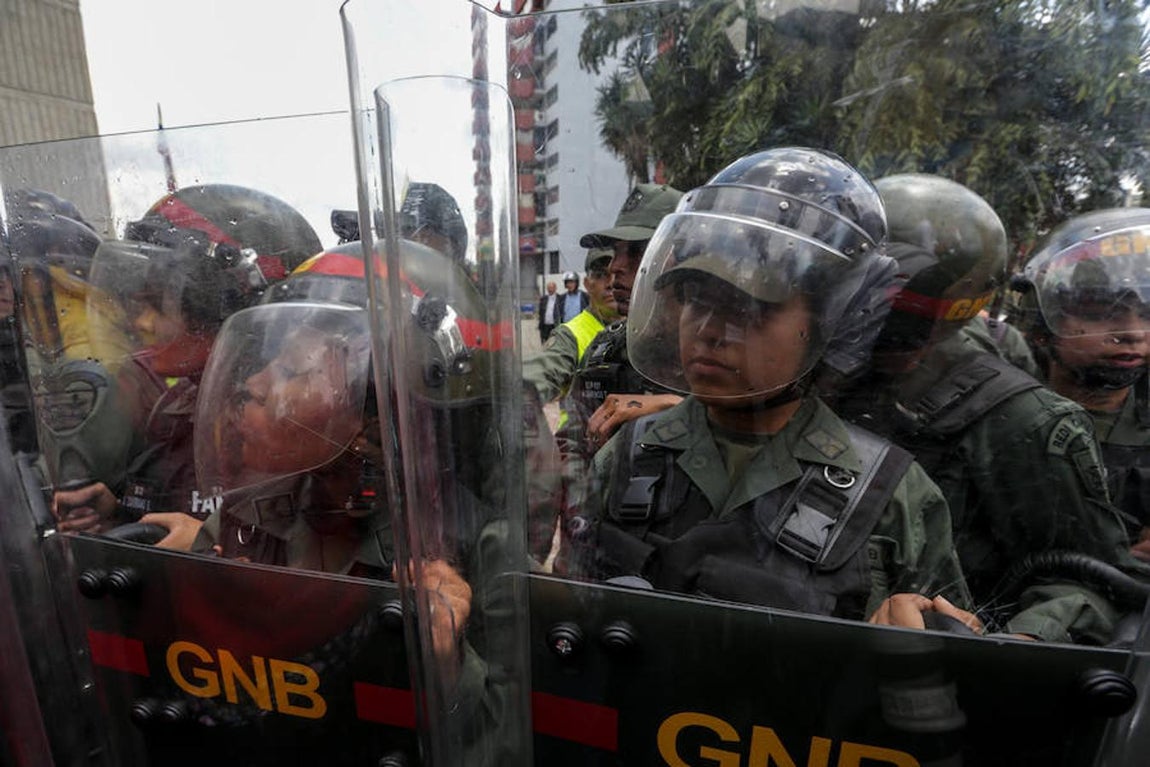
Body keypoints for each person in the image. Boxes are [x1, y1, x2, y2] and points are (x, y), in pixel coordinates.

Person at [571, 148, 977, 631]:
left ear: (830, 319)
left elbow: (954, 660)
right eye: (694, 297)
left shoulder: (893, 497)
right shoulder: (627, 455)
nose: (707, 329)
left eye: (748, 305)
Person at [832, 174, 1138, 643]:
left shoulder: (1018, 421)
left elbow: (1092, 580)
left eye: (911, 322)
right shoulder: (791, 365)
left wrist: (1021, 641)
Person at [51, 184, 322, 545]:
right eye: (138, 302)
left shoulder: (291, 427)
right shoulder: (174, 409)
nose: (141, 322)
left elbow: (316, 570)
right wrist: (121, 516)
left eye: (159, 302)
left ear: (224, 303)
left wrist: (212, 547)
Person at [1011, 208, 1150, 561]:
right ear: (1042, 322)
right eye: (1101, 312)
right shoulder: (997, 414)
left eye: (1147, 313)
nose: (1133, 333)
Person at [523, 248, 618, 405]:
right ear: (588, 284)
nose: (612, 283)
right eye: (601, 275)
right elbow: (546, 368)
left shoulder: (649, 327)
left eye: (620, 273)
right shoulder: (570, 335)